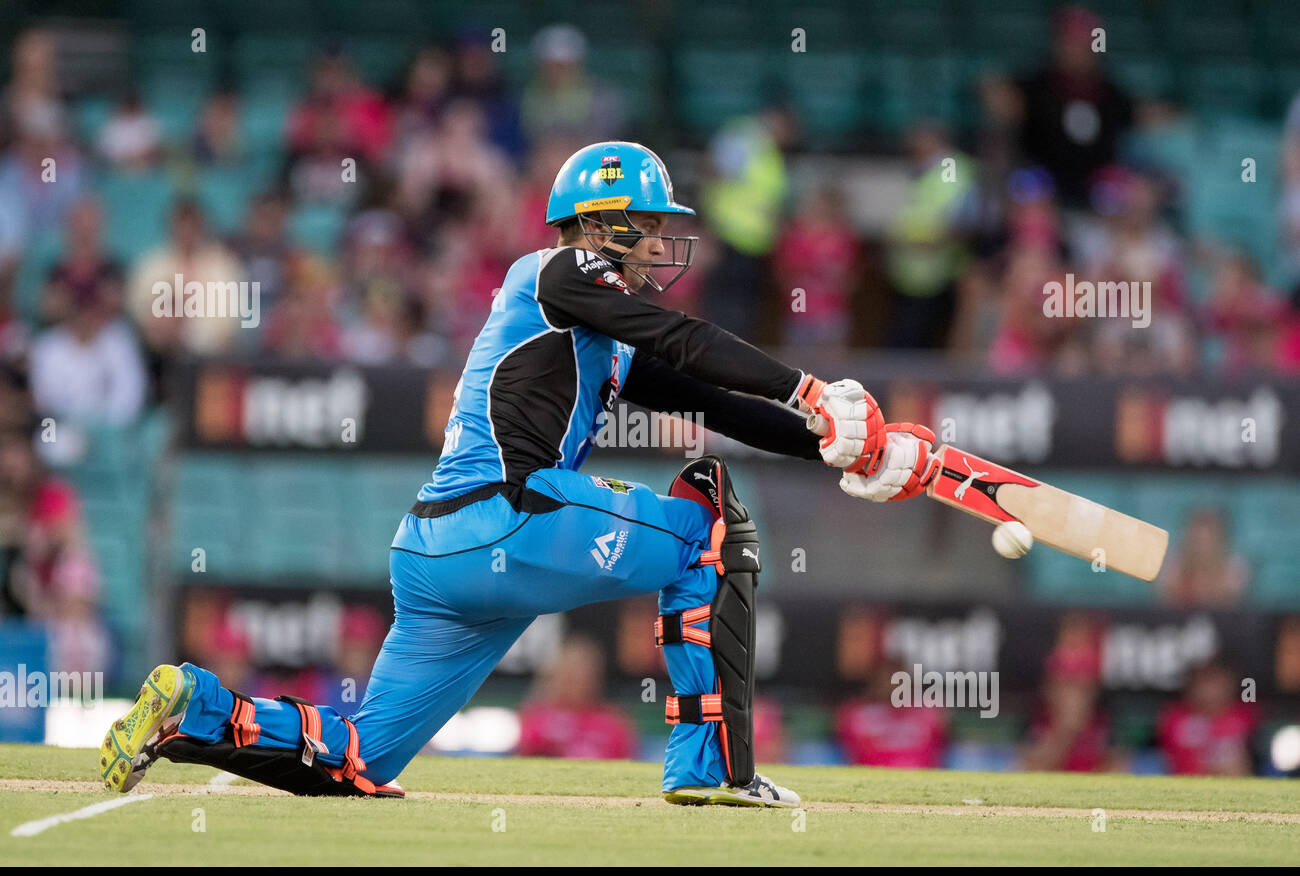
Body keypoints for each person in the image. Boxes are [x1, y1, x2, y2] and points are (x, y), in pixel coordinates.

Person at [100, 142, 938, 808]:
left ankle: (192, 705)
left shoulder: (595, 327)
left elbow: (708, 400)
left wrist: (836, 450)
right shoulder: (554, 270)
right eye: (643, 224)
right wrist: (813, 389)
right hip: (505, 516)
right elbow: (685, 341)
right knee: (706, 529)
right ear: (595, 223)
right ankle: (712, 770)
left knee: (355, 760)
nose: (658, 242)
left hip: (437, 551)